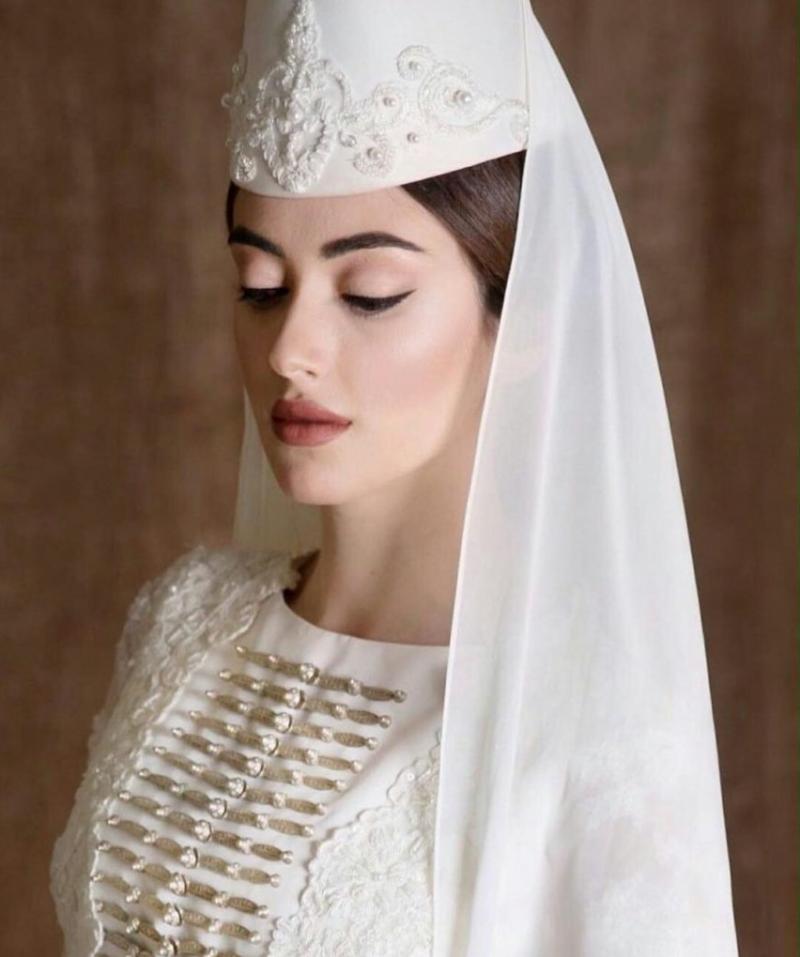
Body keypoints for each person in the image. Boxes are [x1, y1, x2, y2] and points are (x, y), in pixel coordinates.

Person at [50, 1, 740, 955]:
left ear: (526, 317)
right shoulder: (184, 618)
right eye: (260, 286)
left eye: (370, 294)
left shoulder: (588, 733)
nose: (289, 349)